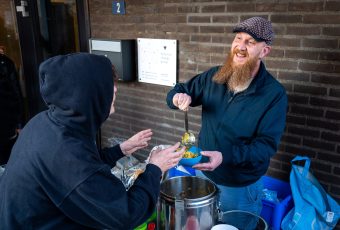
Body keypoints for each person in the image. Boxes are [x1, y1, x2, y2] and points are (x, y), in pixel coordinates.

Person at [0, 53, 184, 229]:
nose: (115, 89)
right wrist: (155, 168)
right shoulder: (64, 151)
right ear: (88, 92)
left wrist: (121, 149)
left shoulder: (47, 121)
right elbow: (126, 214)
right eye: (108, 84)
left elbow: (84, 167)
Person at [166, 17, 287, 228]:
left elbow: (266, 146)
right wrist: (177, 98)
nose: (240, 46)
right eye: (238, 38)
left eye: (250, 42)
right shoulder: (215, 76)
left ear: (264, 51)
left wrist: (226, 156)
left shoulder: (274, 94)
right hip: (204, 173)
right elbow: (181, 89)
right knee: (204, 225)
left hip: (239, 186)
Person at [0, 48, 24, 165]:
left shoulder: (5, 63)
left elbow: (16, 95)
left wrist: (19, 123)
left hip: (7, 123)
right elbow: (16, 94)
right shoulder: (5, 62)